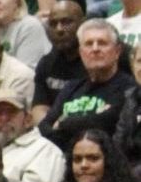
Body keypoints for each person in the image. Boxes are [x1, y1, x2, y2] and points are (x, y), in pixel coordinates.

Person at [40, 19, 131, 152]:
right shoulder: (71, 87)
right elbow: (44, 127)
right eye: (88, 44)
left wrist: (64, 124)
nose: (95, 49)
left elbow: (106, 122)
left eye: (102, 43)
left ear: (117, 51)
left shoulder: (129, 87)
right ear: (81, 53)